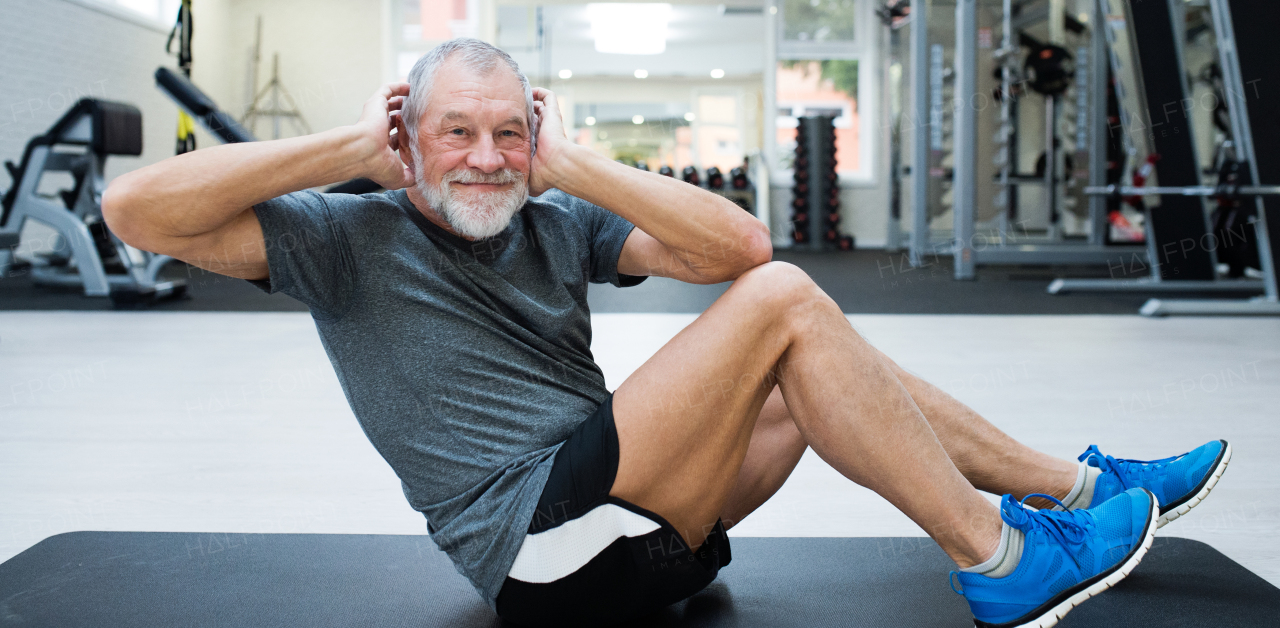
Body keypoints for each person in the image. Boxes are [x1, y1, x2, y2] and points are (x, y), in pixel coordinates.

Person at [103, 38, 1231, 628]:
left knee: (801, 341)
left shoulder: (552, 212)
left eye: (509, 133)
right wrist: (346, 150)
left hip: (632, 529)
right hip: (538, 555)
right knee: (788, 302)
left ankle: (1072, 493)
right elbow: (136, 213)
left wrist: (574, 163)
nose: (486, 159)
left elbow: (731, 247)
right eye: (455, 133)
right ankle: (998, 563)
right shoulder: (338, 238)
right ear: (406, 137)